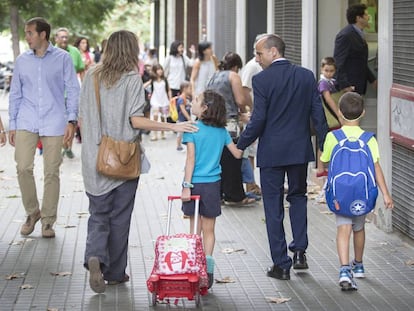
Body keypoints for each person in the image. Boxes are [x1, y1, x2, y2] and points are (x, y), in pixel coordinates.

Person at [79, 30, 197, 294]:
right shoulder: (132, 79)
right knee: (120, 218)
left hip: (93, 158)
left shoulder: (91, 76)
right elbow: (136, 121)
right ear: (130, 49)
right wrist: (173, 126)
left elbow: (83, 118)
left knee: (98, 215)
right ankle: (116, 273)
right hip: (124, 159)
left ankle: (95, 255)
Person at [236, 34, 328, 280]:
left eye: (259, 53)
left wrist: (241, 144)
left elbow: (259, 119)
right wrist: (325, 147)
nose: (257, 59)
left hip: (272, 153)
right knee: (298, 198)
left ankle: (281, 264)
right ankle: (299, 251)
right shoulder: (307, 76)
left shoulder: (262, 80)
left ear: (273, 51)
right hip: (299, 150)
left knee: (273, 206)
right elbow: (318, 114)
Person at [8, 17, 80, 239]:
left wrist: (72, 120)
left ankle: (48, 221)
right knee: (22, 168)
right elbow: (16, 93)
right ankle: (33, 212)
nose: (27, 36)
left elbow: (73, 89)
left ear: (43, 34)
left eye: (30, 33)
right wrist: (12, 124)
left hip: (54, 120)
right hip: (26, 120)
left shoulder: (63, 58)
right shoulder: (22, 61)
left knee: (51, 172)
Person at [320, 92, 393, 290]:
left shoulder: (332, 137)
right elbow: (376, 168)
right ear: (363, 113)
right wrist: (386, 194)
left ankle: (344, 269)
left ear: (340, 114)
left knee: (343, 228)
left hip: (340, 193)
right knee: (358, 227)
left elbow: (325, 160)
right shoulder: (369, 139)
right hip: (362, 193)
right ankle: (358, 264)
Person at [181, 89, 243, 289]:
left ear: (205, 108)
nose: (193, 102)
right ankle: (207, 269)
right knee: (209, 230)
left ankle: (194, 268)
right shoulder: (222, 132)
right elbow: (237, 154)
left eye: (197, 100)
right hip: (213, 185)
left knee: (194, 231)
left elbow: (190, 160)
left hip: (195, 184)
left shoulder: (192, 129)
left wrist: (186, 186)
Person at [206, 52, 254, 206]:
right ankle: (235, 195)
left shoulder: (215, 76)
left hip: (212, 122)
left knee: (217, 160)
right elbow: (240, 100)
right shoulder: (233, 76)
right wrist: (246, 107)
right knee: (232, 160)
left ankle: (218, 194)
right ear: (235, 66)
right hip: (229, 123)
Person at [240, 34, 267, 197]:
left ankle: (253, 184)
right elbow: (244, 90)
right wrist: (252, 109)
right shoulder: (252, 66)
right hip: (254, 114)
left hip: (259, 113)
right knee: (250, 151)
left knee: (253, 151)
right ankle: (250, 185)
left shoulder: (262, 66)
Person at [333, 3, 376, 95]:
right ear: (358, 18)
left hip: (358, 86)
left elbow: (360, 61)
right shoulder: (346, 35)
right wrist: (345, 85)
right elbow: (338, 62)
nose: (368, 17)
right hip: (349, 88)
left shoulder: (359, 34)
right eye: (366, 15)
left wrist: (372, 79)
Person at [55, 27, 85, 159]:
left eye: (66, 37)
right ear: (56, 38)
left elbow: (81, 70)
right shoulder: (50, 52)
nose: (64, 39)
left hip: (72, 94)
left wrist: (84, 89)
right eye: (61, 37)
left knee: (72, 122)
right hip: (55, 94)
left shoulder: (74, 52)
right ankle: (62, 145)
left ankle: (68, 147)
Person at [316, 57, 341, 178]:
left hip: (328, 118)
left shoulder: (332, 82)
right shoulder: (323, 83)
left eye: (331, 71)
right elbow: (329, 99)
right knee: (324, 142)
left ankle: (323, 167)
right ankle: (321, 168)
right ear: (321, 69)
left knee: (327, 141)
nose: (329, 73)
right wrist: (338, 114)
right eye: (326, 70)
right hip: (326, 118)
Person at [147, 64, 171, 141]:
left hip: (164, 100)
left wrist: (170, 99)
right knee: (155, 116)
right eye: (158, 69)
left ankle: (163, 133)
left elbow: (168, 89)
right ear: (155, 71)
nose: (160, 71)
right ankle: (154, 134)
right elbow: (144, 86)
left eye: (161, 69)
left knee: (163, 117)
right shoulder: (152, 80)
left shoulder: (165, 79)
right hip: (155, 100)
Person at [176, 81, 192, 151]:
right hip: (181, 119)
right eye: (190, 88)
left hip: (185, 119)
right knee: (180, 132)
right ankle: (178, 145)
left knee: (187, 132)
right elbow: (183, 110)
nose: (191, 90)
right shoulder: (181, 99)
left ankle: (187, 144)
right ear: (184, 89)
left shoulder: (187, 98)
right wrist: (189, 118)